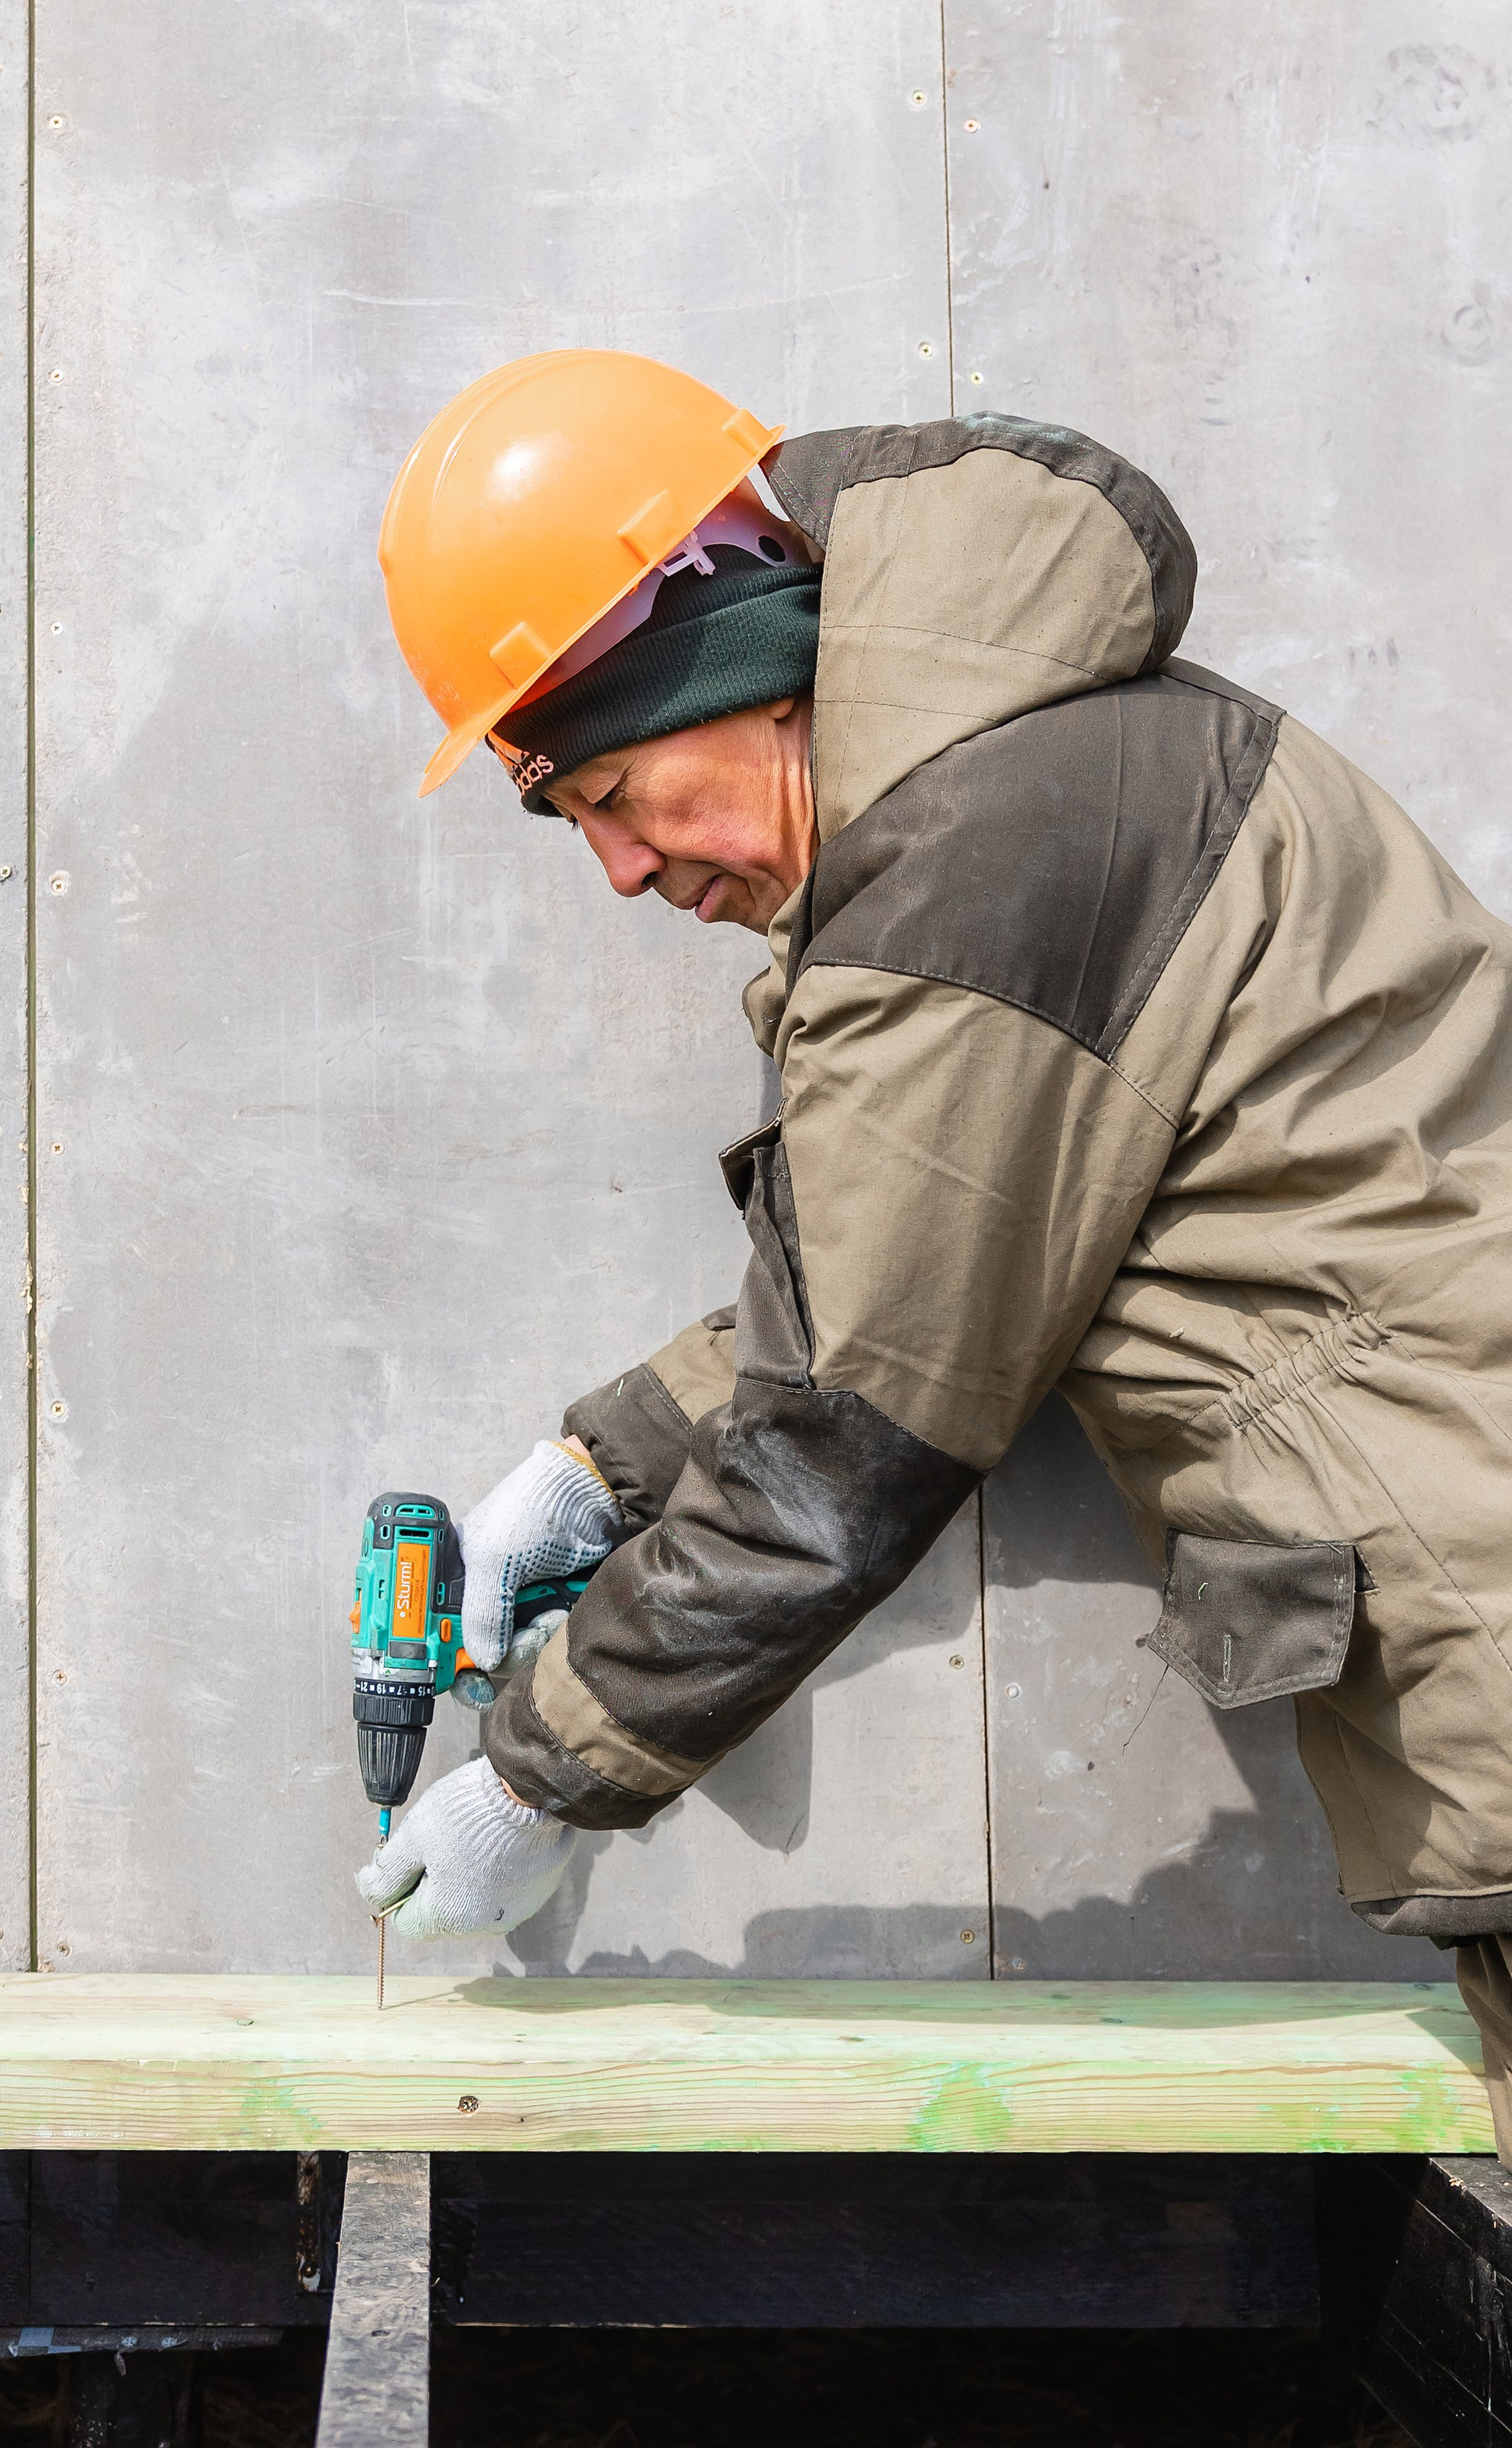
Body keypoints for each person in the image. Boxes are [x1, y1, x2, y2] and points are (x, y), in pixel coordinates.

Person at [357, 350, 1512, 2158]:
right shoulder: (1041, 778)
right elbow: (940, 1251)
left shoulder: (969, 879)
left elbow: (847, 1438)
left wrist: (537, 1773)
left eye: (613, 794)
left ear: (730, 675)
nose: (623, 872)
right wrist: (598, 1466)